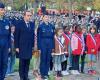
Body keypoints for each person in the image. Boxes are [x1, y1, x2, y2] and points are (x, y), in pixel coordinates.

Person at [15, 11, 35, 80]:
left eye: (30, 16)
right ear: (24, 16)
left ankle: (26, 76)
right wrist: (17, 46)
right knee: (22, 63)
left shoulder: (32, 24)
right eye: (28, 15)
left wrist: (32, 46)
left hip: (29, 46)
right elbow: (16, 36)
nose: (29, 17)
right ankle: (22, 77)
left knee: (27, 62)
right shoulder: (19, 24)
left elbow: (32, 36)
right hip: (22, 46)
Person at [37, 14, 55, 80]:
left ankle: (46, 73)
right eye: (46, 17)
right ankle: (42, 73)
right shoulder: (40, 26)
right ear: (43, 18)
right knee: (43, 59)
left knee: (48, 59)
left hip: (50, 44)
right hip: (43, 44)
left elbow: (53, 37)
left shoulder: (52, 26)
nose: (47, 18)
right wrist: (39, 48)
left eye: (48, 17)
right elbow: (38, 38)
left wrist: (53, 47)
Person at [0, 2, 11, 80]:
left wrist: (9, 46)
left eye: (3, 10)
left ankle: (2, 77)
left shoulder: (6, 21)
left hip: (6, 45)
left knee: (4, 63)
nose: (3, 11)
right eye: (1, 9)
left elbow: (9, 35)